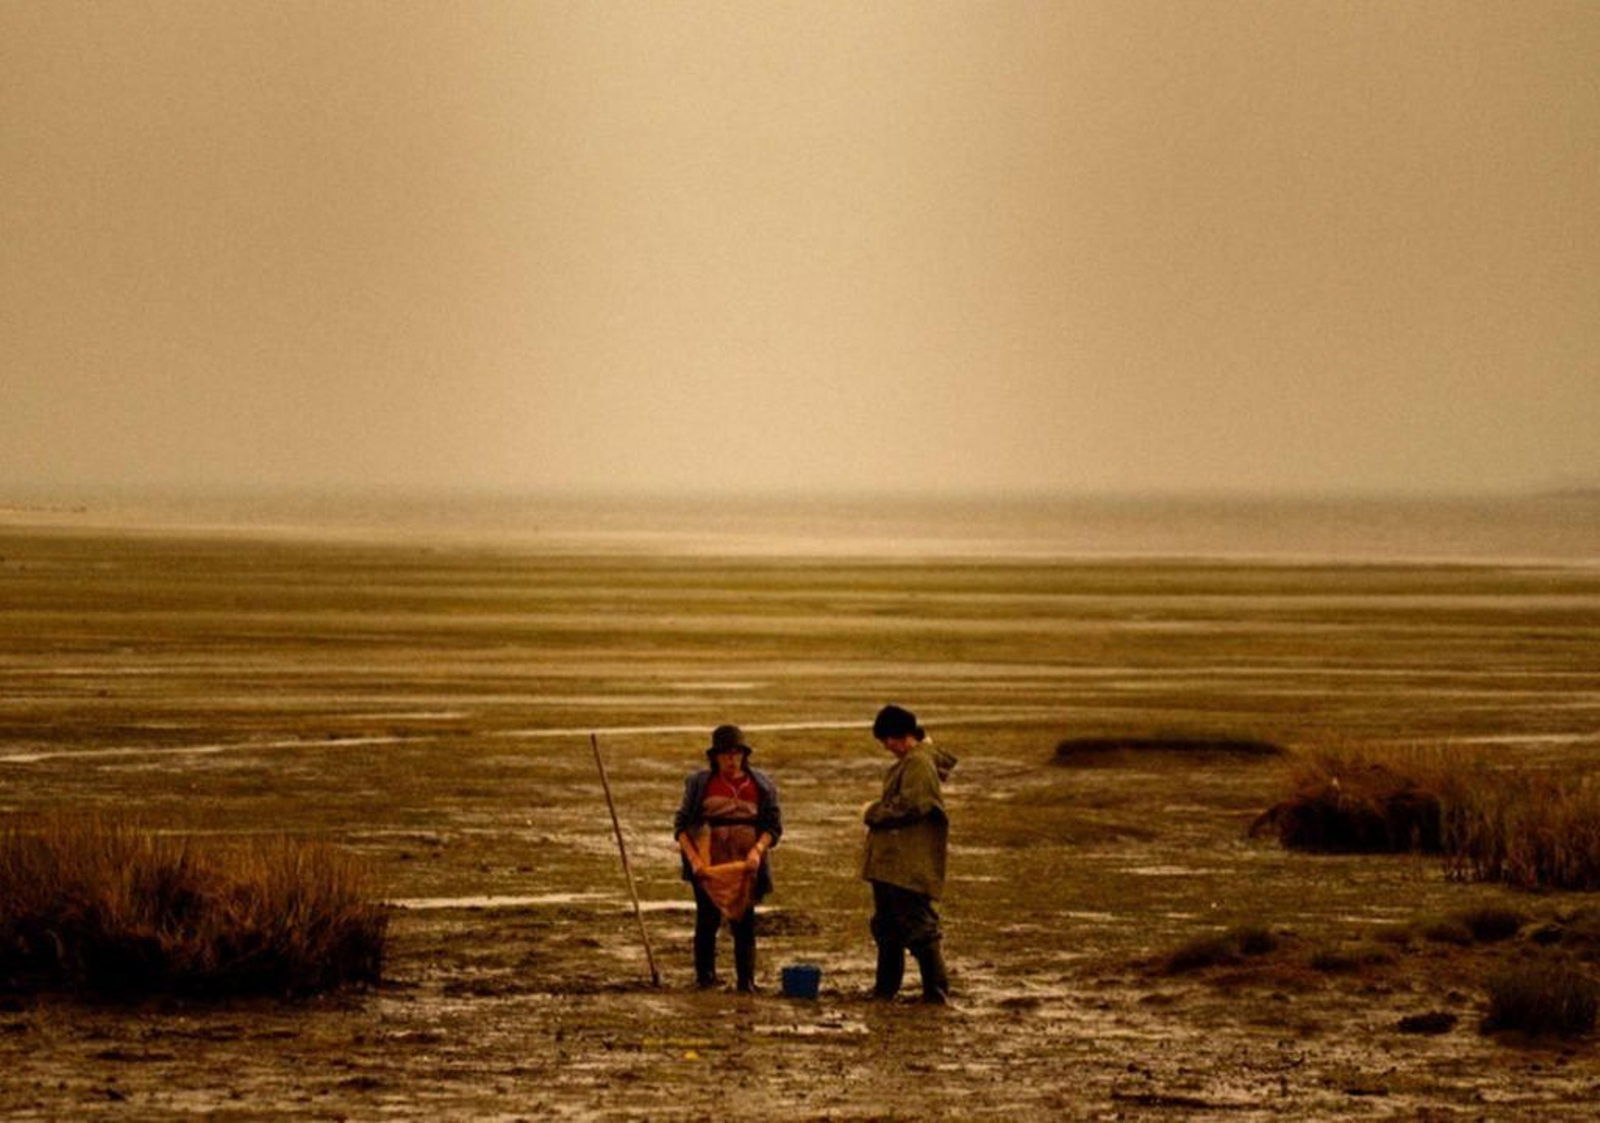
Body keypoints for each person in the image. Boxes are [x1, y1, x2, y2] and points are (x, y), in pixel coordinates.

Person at [673, 724, 782, 992]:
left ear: (744, 755)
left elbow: (773, 827)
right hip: (708, 864)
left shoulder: (762, 786)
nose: (731, 759)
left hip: (746, 865)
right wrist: (695, 861)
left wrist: (757, 852)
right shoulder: (700, 784)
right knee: (707, 920)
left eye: (736, 753)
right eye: (725, 754)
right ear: (715, 757)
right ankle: (705, 979)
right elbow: (681, 827)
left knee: (744, 923)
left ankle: (746, 982)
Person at [862, 704, 957, 1003]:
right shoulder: (915, 761)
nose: (887, 747)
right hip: (894, 864)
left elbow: (915, 804)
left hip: (905, 864)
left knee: (918, 927)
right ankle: (885, 989)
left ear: (901, 735)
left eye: (887, 739)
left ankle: (936, 991)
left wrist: (873, 812)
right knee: (888, 928)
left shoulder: (917, 764)